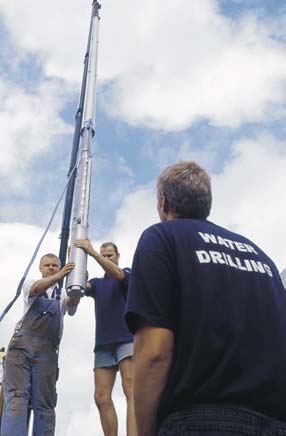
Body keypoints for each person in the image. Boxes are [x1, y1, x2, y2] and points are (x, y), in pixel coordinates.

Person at [125, 161, 286, 436]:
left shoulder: (161, 238)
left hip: (198, 422)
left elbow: (153, 353)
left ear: (162, 203)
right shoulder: (262, 258)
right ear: (206, 204)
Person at [1, 253, 78, 436]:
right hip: (21, 349)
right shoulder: (30, 284)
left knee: (45, 405)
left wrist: (77, 282)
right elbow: (36, 288)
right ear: (40, 268)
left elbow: (72, 306)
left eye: (55, 265)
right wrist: (59, 276)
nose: (51, 267)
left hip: (47, 351)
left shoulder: (63, 294)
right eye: (47, 265)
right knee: (17, 398)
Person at [74, 239, 136, 436]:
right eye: (104, 254)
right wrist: (75, 260)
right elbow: (80, 288)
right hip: (103, 344)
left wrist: (93, 252)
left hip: (127, 339)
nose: (106, 257)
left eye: (109, 254)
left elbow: (117, 275)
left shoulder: (126, 272)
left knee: (131, 390)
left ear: (117, 256)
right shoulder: (97, 283)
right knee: (101, 396)